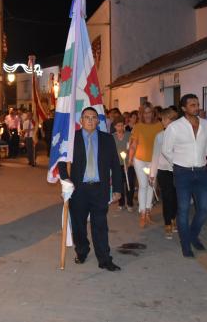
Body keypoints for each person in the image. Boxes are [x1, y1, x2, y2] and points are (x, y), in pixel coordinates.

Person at [57, 107, 123, 271]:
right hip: (78, 190)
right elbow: (62, 162)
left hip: (99, 189)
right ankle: (82, 250)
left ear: (98, 120)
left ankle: (104, 259)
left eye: (94, 117)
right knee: (79, 225)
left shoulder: (107, 139)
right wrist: (66, 181)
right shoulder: (72, 139)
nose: (91, 120)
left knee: (100, 225)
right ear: (81, 120)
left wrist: (117, 188)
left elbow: (115, 165)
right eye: (87, 117)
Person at [162, 94, 207, 257]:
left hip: (201, 171)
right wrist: (178, 163)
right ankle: (186, 244)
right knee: (183, 209)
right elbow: (166, 150)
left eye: (197, 104)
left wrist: (199, 159)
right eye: (192, 105)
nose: (196, 107)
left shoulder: (206, 125)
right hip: (182, 172)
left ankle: (192, 235)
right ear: (184, 108)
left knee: (204, 208)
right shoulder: (175, 127)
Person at [128, 101, 163, 227]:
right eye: (145, 112)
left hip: (154, 160)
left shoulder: (159, 125)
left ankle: (148, 211)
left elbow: (162, 143)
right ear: (142, 114)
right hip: (140, 160)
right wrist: (130, 159)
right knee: (143, 185)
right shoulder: (138, 126)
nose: (147, 115)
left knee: (151, 185)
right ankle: (142, 213)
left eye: (149, 112)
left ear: (153, 113)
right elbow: (133, 144)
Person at [150, 108, 179, 239]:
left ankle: (174, 218)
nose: (162, 122)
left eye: (163, 119)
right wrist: (152, 173)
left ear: (170, 119)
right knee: (167, 197)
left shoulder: (181, 134)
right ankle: (168, 223)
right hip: (163, 170)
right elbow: (155, 155)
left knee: (177, 197)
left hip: (178, 170)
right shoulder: (160, 136)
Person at [112, 116, 134, 211]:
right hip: (117, 165)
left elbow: (132, 148)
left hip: (128, 163)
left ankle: (129, 203)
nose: (120, 128)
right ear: (115, 127)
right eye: (118, 126)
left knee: (130, 184)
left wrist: (130, 161)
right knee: (119, 184)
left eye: (122, 125)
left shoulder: (129, 135)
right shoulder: (112, 136)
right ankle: (121, 203)